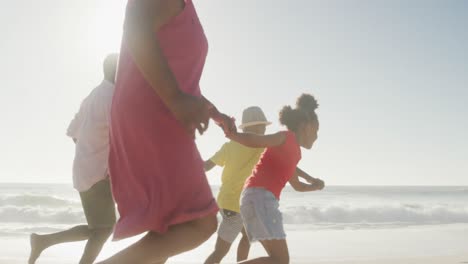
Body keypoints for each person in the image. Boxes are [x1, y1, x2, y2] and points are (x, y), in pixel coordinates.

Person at [96, 0, 234, 263]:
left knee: (172, 223)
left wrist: (214, 113)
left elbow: (182, 78)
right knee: (199, 223)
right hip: (154, 116)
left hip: (162, 115)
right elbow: (135, 27)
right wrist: (175, 98)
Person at [28, 54, 119, 264]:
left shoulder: (92, 96)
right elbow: (122, 140)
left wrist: (91, 152)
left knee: (100, 229)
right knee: (103, 230)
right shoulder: (113, 98)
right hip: (98, 174)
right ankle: (44, 242)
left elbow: (73, 133)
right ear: (119, 71)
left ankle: (43, 241)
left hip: (84, 169)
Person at [228, 94, 324, 264]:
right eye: (316, 130)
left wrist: (314, 185)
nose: (316, 136)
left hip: (254, 199)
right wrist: (232, 134)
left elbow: (298, 186)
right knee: (280, 260)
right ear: (305, 126)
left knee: (277, 260)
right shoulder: (286, 137)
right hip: (261, 198)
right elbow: (257, 140)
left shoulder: (294, 152)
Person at [204, 106, 271, 263]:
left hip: (228, 202)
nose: (264, 130)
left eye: (264, 126)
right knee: (220, 252)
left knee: (247, 237)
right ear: (251, 127)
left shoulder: (230, 146)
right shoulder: (263, 147)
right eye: (261, 126)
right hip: (235, 207)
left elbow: (206, 166)